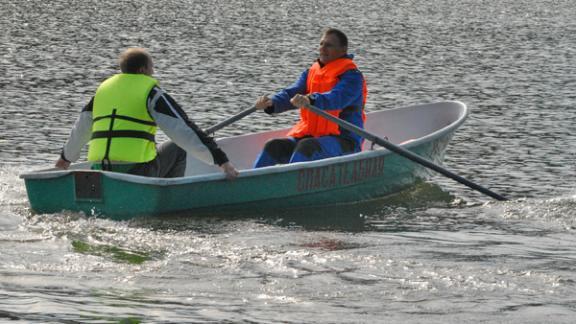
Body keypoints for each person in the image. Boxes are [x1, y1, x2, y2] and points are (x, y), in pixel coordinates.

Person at [55, 48, 238, 179]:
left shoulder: (102, 92)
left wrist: (65, 159)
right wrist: (222, 162)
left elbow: (80, 128)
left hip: (99, 171)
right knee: (178, 147)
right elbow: (183, 129)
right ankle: (169, 195)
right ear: (143, 70)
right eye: (152, 68)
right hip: (136, 172)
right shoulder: (151, 93)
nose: (153, 73)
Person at [253, 28, 367, 168]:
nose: (322, 48)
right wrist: (271, 102)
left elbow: (337, 98)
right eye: (321, 44)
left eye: (329, 45)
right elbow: (290, 93)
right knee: (273, 146)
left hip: (344, 140)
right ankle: (249, 183)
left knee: (307, 147)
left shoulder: (352, 77)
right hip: (311, 136)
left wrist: (311, 99)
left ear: (343, 50)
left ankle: (289, 184)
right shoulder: (311, 72)